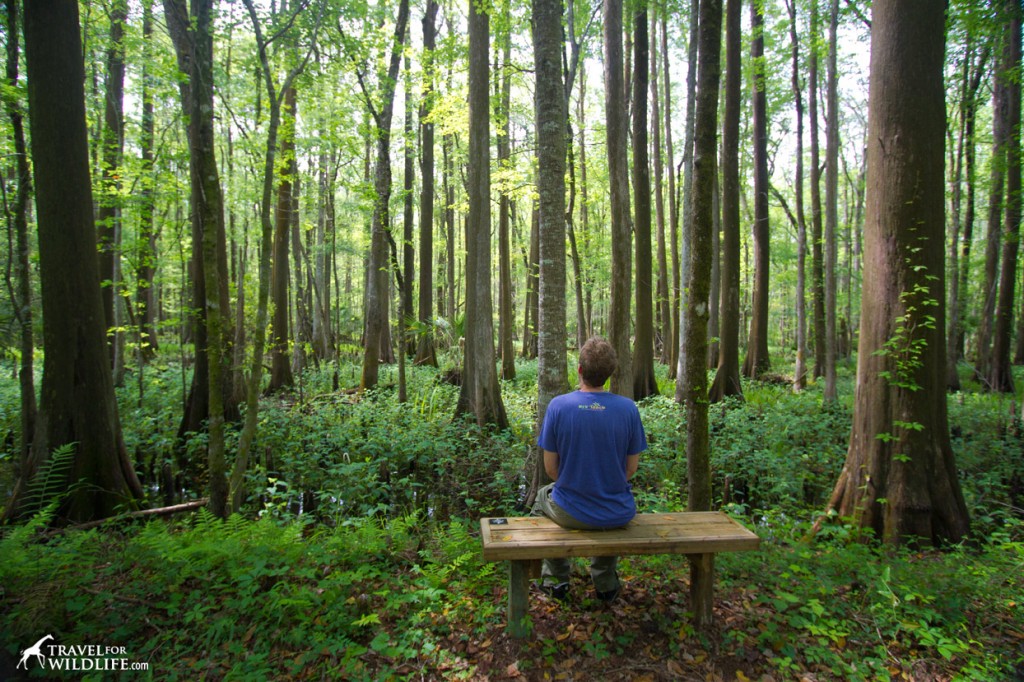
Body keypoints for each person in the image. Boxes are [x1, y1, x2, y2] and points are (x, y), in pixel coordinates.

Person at [533, 336, 648, 603]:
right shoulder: (628, 409)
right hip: (618, 511)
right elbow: (631, 469)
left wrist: (577, 484)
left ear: (580, 369)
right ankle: (606, 582)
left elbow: (551, 469)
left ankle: (555, 581)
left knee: (542, 497)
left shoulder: (559, 406)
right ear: (609, 373)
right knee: (597, 506)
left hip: (571, 511)